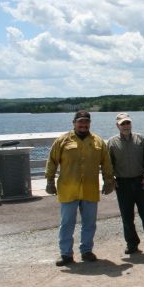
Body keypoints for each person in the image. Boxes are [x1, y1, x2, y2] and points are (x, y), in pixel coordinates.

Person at [45, 110, 114, 266]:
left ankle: (86, 251)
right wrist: (49, 180)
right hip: (68, 189)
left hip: (90, 188)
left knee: (89, 223)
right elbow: (52, 161)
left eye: (86, 122)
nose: (83, 124)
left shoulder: (97, 141)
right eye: (80, 121)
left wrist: (109, 180)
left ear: (89, 123)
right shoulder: (62, 141)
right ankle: (66, 254)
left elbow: (106, 162)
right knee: (67, 223)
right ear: (74, 123)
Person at [107, 112, 144, 255]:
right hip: (122, 184)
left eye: (127, 123)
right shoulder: (112, 143)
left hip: (140, 181)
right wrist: (111, 180)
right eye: (122, 124)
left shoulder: (141, 140)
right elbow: (108, 165)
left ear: (131, 123)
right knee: (127, 217)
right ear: (117, 125)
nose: (126, 126)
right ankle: (132, 244)